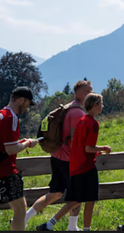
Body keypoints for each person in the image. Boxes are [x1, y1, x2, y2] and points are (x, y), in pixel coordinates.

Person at [38, 93, 113, 231]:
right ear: (95, 105)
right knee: (90, 200)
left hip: (75, 166)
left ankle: (48, 225)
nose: (102, 106)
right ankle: (86, 229)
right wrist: (103, 148)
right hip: (87, 167)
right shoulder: (93, 123)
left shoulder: (82, 120)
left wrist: (95, 151)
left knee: (75, 199)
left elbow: (80, 145)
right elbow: (88, 147)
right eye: (101, 104)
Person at [27, 80, 92, 230]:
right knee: (78, 194)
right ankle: (68, 226)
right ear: (83, 94)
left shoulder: (67, 109)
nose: (93, 94)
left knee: (55, 193)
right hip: (71, 161)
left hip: (57, 157)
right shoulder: (79, 114)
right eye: (90, 92)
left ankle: (24, 218)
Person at [1, 87, 39, 231]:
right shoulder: (12, 118)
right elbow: (10, 149)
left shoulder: (1, 114)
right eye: (27, 104)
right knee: (20, 210)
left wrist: (21, 142)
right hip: (6, 171)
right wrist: (28, 143)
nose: (27, 108)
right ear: (21, 100)